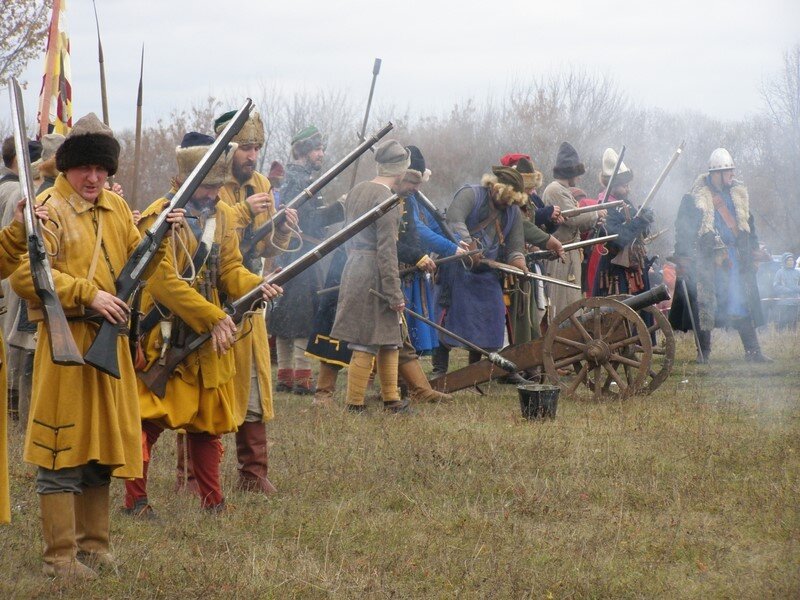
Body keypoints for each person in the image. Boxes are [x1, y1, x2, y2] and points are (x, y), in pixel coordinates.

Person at [10, 113, 183, 579]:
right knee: (60, 450)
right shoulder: (47, 207)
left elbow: (137, 265)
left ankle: (95, 547)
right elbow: (26, 275)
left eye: (102, 169)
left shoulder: (117, 208)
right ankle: (59, 558)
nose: (94, 177)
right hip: (66, 346)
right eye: (85, 167)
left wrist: (162, 237)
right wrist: (87, 294)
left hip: (110, 348)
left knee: (102, 452)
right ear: (66, 168)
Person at [123, 133, 283, 517]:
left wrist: (256, 285)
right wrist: (213, 316)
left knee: (207, 421)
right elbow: (161, 280)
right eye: (207, 185)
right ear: (184, 181)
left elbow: (228, 268)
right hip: (164, 333)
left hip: (207, 333)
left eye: (216, 186)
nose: (213, 194)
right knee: (150, 420)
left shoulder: (224, 214)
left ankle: (213, 501)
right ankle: (136, 502)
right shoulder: (158, 215)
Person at [213, 109, 295, 495]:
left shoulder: (261, 182)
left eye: (256, 147)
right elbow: (210, 229)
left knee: (254, 387)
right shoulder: (208, 180)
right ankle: (193, 477)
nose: (252, 155)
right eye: (245, 147)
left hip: (250, 289)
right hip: (210, 290)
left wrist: (279, 228)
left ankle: (253, 472)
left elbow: (265, 249)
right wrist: (246, 210)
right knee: (206, 386)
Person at [433, 167, 551, 377]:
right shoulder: (470, 194)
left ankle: (477, 371)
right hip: (457, 268)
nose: (509, 204)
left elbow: (515, 246)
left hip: (487, 272)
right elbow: (454, 221)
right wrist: (469, 247)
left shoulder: (512, 211)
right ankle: (439, 369)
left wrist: (518, 264)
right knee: (447, 319)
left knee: (492, 316)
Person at [669, 148, 771, 363]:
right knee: (704, 306)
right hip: (706, 261)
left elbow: (747, 226)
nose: (732, 176)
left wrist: (753, 249)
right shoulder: (694, 198)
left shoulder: (738, 195)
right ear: (716, 173)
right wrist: (683, 256)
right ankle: (703, 354)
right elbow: (683, 229)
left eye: (732, 171)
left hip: (735, 259)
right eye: (728, 172)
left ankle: (753, 352)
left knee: (740, 302)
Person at [330, 140, 407, 413]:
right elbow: (387, 251)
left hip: (354, 265)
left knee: (389, 336)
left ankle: (392, 399)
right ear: (400, 173)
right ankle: (355, 403)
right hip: (373, 270)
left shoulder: (356, 191)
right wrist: (395, 294)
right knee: (366, 339)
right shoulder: (387, 199)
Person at [271, 126, 344, 395]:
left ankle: (286, 376)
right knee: (299, 316)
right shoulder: (297, 181)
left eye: (321, 148)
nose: (321, 154)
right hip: (296, 255)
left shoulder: (300, 179)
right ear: (304, 151)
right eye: (316, 149)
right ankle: (299, 378)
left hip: (296, 255)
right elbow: (306, 221)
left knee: (289, 315)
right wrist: (339, 210)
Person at [0, 136, 43, 423]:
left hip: (9, 265)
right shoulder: (17, 191)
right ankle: (14, 408)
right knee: (18, 345)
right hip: (14, 270)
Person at [502, 155, 564, 346]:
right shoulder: (510, 201)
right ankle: (517, 359)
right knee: (518, 318)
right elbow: (523, 227)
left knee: (533, 314)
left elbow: (535, 226)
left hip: (527, 261)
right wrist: (549, 241)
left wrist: (550, 229)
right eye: (528, 186)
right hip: (510, 262)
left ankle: (530, 360)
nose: (531, 190)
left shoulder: (527, 201)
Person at [542, 142, 605, 318]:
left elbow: (577, 223)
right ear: (571, 172)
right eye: (576, 174)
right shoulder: (555, 190)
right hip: (561, 254)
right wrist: (596, 213)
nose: (578, 178)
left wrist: (596, 220)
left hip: (571, 253)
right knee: (563, 303)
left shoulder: (564, 190)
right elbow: (573, 218)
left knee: (573, 301)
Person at [589, 148, 655, 297]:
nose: (628, 189)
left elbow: (639, 234)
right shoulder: (604, 206)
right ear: (613, 185)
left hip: (635, 268)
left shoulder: (625, 203)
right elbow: (618, 239)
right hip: (616, 272)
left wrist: (646, 219)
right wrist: (639, 221)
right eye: (624, 185)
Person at [772, 253, 800, 330]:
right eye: (788, 260)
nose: (791, 262)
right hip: (783, 302)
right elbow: (776, 286)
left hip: (794, 302)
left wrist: (795, 288)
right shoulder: (779, 272)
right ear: (784, 261)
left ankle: (791, 338)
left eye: (792, 260)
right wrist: (787, 290)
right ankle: (780, 338)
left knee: (793, 323)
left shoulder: (797, 272)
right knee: (782, 322)